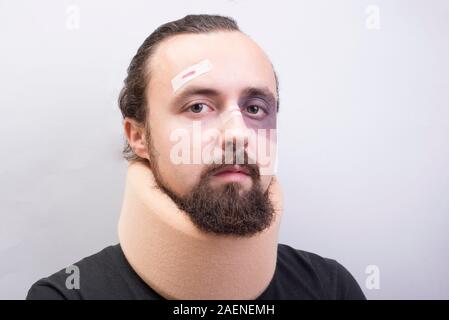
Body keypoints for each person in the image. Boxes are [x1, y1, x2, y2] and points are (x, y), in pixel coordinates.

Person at [26, 14, 366, 300]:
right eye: (198, 107)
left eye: (254, 108)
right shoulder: (67, 297)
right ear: (138, 136)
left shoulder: (331, 289)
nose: (237, 133)